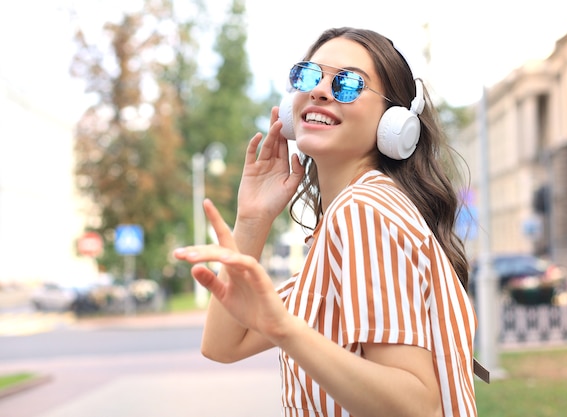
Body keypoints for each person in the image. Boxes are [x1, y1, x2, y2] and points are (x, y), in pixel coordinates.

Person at [174, 27, 486, 417]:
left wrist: (287, 331)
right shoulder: (347, 220)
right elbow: (223, 344)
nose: (321, 90)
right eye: (309, 75)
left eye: (349, 83)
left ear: (394, 121)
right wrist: (254, 219)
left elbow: (416, 405)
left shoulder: (366, 210)